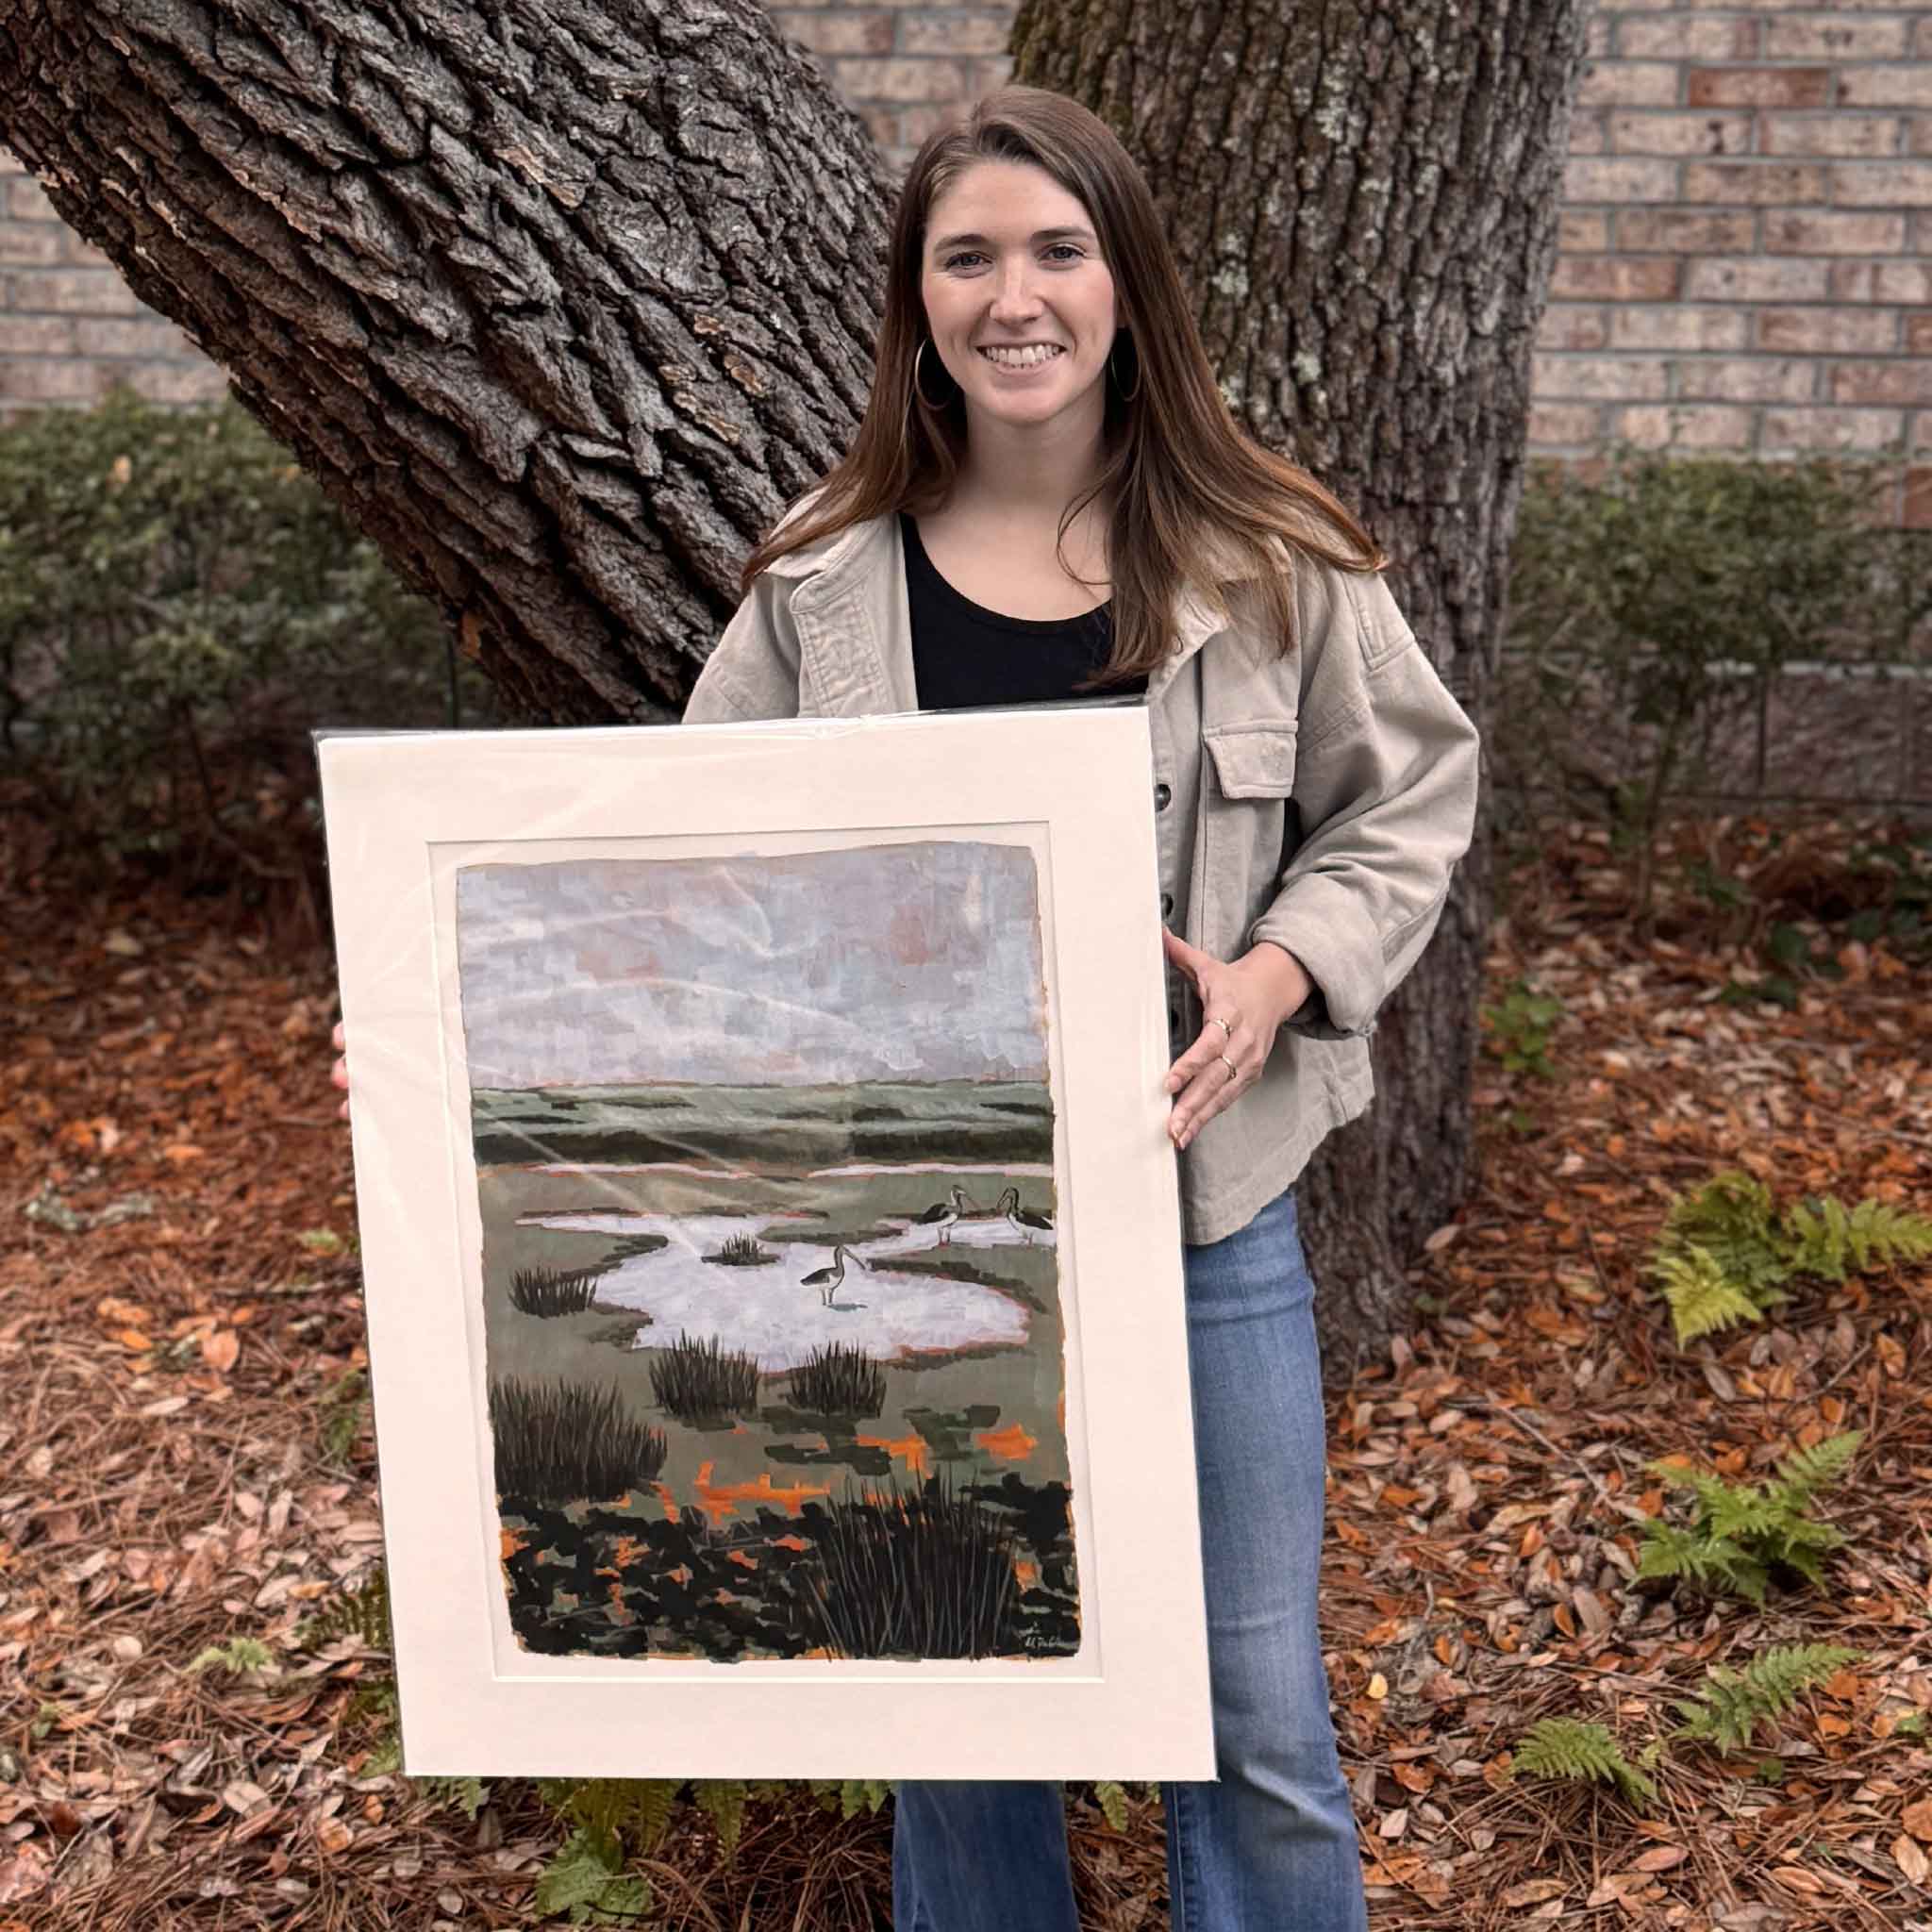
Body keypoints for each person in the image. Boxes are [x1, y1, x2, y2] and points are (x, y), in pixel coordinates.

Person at [335, 82, 1479, 1932]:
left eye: (1054, 249)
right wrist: (434, 1049)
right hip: (903, 1230)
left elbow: (1403, 799)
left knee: (1256, 1708)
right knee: (960, 1699)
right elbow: (677, 892)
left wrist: (1275, 974)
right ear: (915, 301)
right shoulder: (821, 585)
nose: (1011, 295)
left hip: (1201, 1218)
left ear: (1125, 287)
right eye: (966, 258)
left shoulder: (1268, 559)